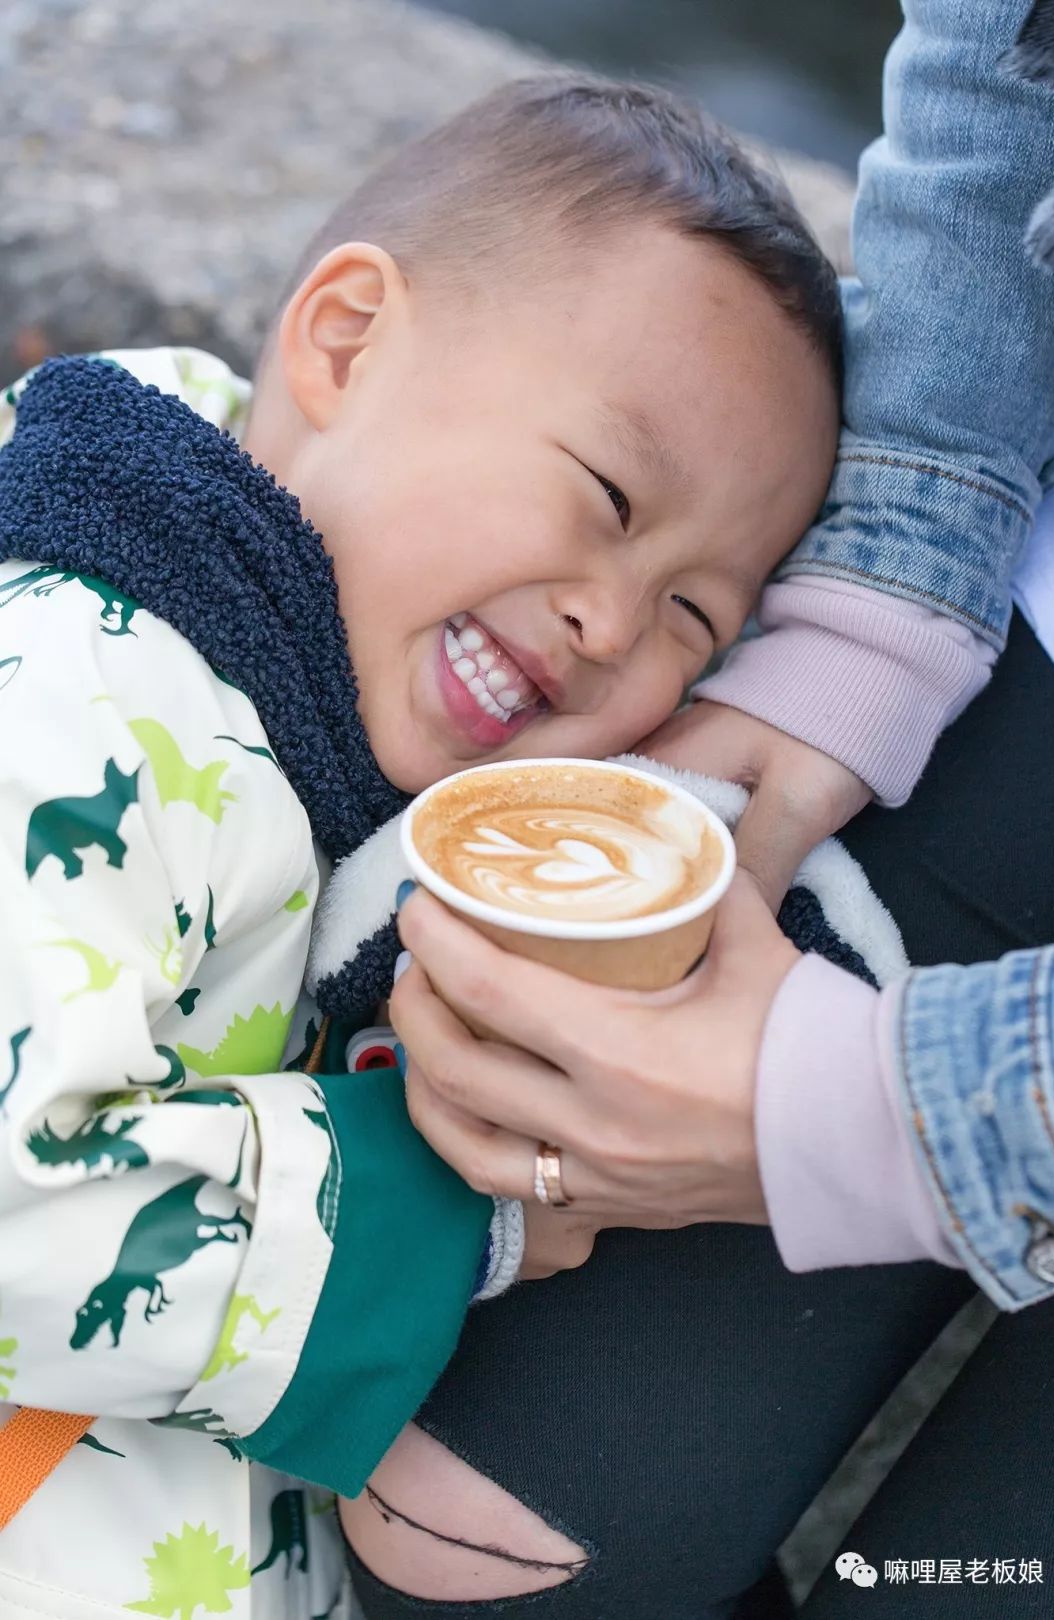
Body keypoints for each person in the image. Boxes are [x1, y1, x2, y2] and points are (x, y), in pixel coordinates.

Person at [0, 76, 842, 1618]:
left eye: (695, 616)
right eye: (608, 495)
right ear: (344, 344)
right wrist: (458, 1206)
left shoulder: (315, 746)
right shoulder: (70, 692)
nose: (613, 623)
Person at [347, 2, 1054, 1615]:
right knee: (464, 1539)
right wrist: (879, 596)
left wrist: (884, 1114)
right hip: (1026, 662)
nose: (612, 627)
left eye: (691, 606)